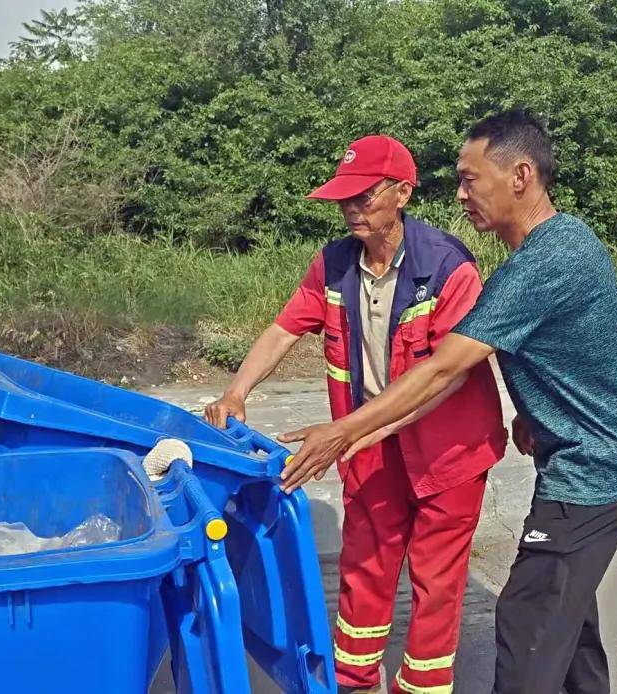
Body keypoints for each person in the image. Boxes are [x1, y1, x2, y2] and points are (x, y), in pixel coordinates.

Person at [281, 108, 617, 694]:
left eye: (470, 179)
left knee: (526, 623)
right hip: (574, 457)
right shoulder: (550, 250)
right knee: (570, 635)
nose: (461, 193)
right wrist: (535, 414)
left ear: (520, 176)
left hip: (591, 474)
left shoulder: (548, 260)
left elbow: (443, 368)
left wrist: (342, 431)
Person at [205, 134, 506, 694]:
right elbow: (284, 327)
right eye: (344, 199)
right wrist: (237, 390)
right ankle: (353, 681)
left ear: (402, 194)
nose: (350, 210)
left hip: (448, 452)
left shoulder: (448, 267)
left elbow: (450, 373)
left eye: (364, 197)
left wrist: (357, 432)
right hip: (366, 445)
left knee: (437, 582)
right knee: (364, 568)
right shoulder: (335, 263)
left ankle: (421, 687)